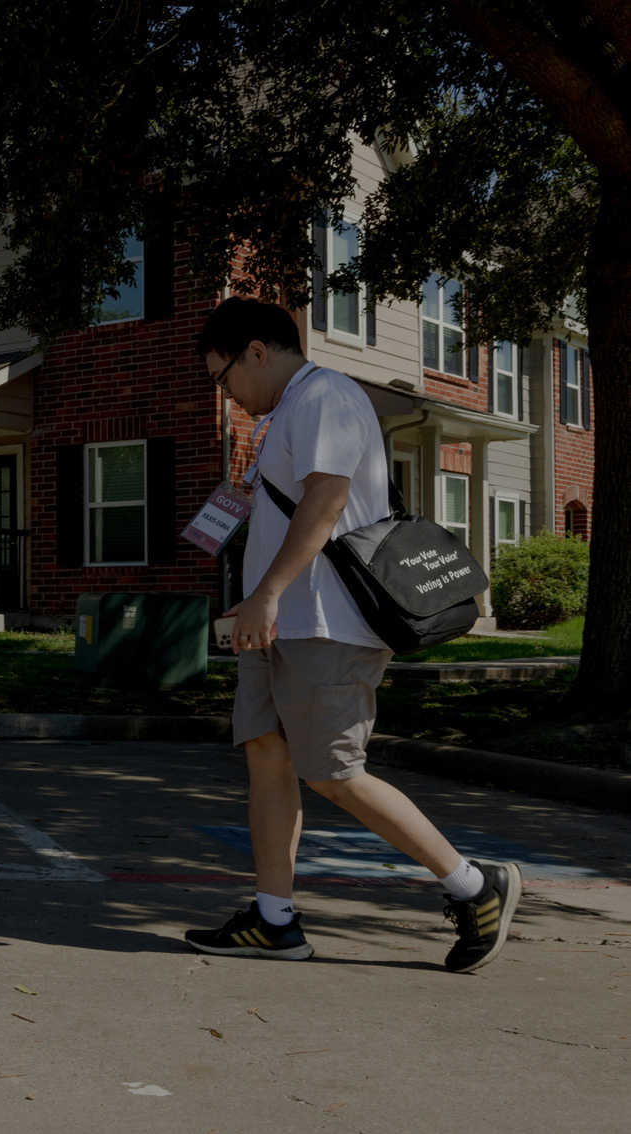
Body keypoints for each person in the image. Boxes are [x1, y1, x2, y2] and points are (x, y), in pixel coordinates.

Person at [185, 297, 519, 974]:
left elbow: (328, 499)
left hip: (326, 623)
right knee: (266, 757)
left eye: (223, 379)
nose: (227, 397)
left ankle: (475, 886)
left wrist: (269, 593)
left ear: (256, 350)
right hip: (281, 625)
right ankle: (274, 921)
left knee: (334, 772)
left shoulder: (324, 395)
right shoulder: (286, 414)